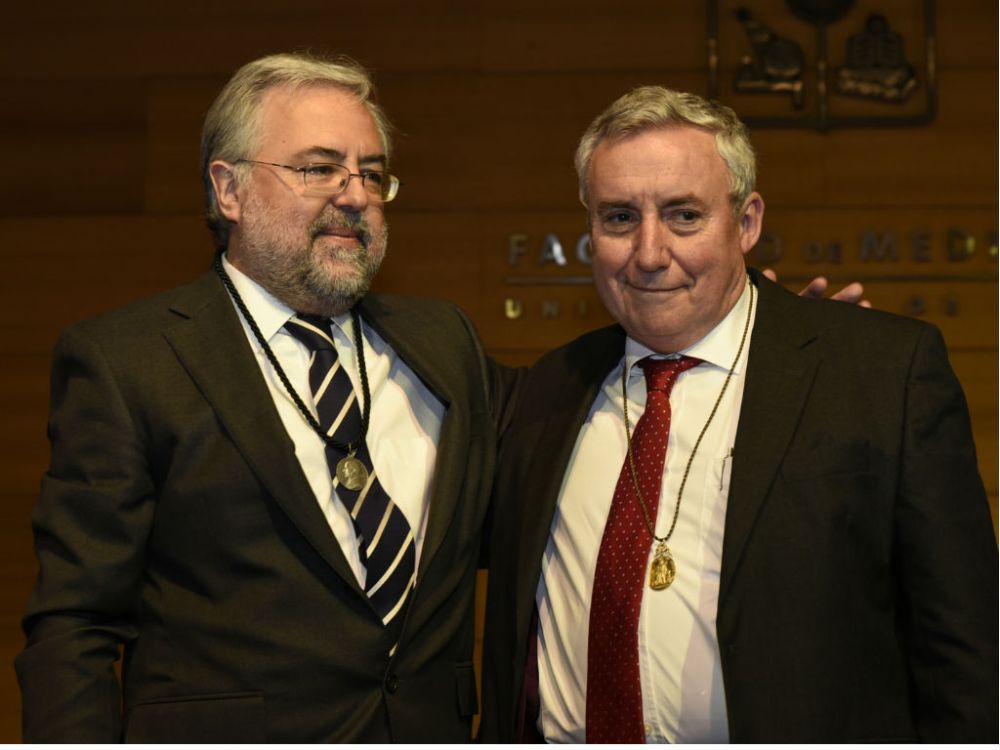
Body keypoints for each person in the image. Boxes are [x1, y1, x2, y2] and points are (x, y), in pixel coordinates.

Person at [16, 52, 513, 742]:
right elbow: (76, 624)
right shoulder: (128, 362)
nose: (355, 195)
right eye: (319, 169)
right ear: (230, 190)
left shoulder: (444, 343)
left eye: (371, 173)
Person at [479, 86, 998, 743]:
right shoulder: (551, 390)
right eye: (619, 218)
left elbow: (965, 655)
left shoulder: (879, 374)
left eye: (684, 216)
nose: (648, 252)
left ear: (746, 223)